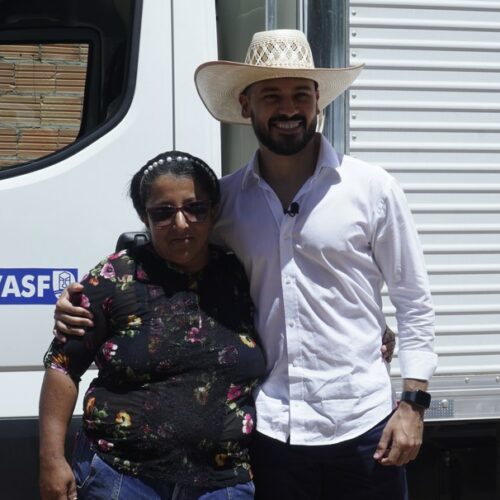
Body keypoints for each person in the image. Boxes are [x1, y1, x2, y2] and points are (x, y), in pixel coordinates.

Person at [53, 29, 436, 500]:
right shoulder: (225, 201)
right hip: (273, 430)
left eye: (300, 94)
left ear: (318, 101)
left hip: (363, 423)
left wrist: (413, 403)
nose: (288, 109)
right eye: (270, 95)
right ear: (245, 105)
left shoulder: (372, 190)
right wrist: (82, 299)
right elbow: (164, 253)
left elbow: (413, 302)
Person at [39, 152, 266, 500]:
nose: (181, 223)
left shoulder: (244, 277)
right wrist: (51, 460)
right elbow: (62, 366)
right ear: (144, 217)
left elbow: (297, 318)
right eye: (163, 212)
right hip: (123, 479)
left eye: (195, 208)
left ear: (214, 211)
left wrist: (380, 333)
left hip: (223, 483)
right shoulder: (115, 277)